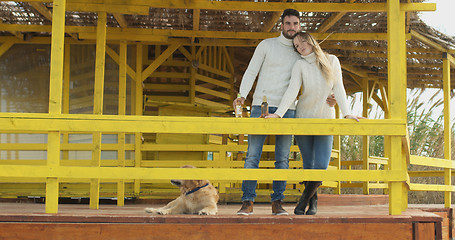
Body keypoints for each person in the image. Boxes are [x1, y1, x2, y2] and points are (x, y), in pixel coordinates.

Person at [233, 9, 336, 216]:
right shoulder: (266, 45)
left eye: (295, 24)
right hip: (260, 106)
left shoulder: (302, 51)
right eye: (288, 23)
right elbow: (251, 70)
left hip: (287, 109)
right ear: (281, 25)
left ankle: (277, 201)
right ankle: (247, 200)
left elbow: (321, 72)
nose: (292, 27)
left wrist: (330, 94)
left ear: (300, 25)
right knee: (253, 155)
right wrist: (242, 94)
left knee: (282, 158)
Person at [266, 31, 365, 215]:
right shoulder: (299, 65)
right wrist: (278, 114)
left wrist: (347, 113)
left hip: (325, 120)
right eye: (296, 45)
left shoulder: (332, 60)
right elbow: (292, 91)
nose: (300, 46)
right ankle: (314, 203)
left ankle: (304, 200)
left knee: (321, 165)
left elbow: (339, 87)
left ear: (311, 41)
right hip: (304, 119)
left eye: (302, 41)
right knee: (309, 165)